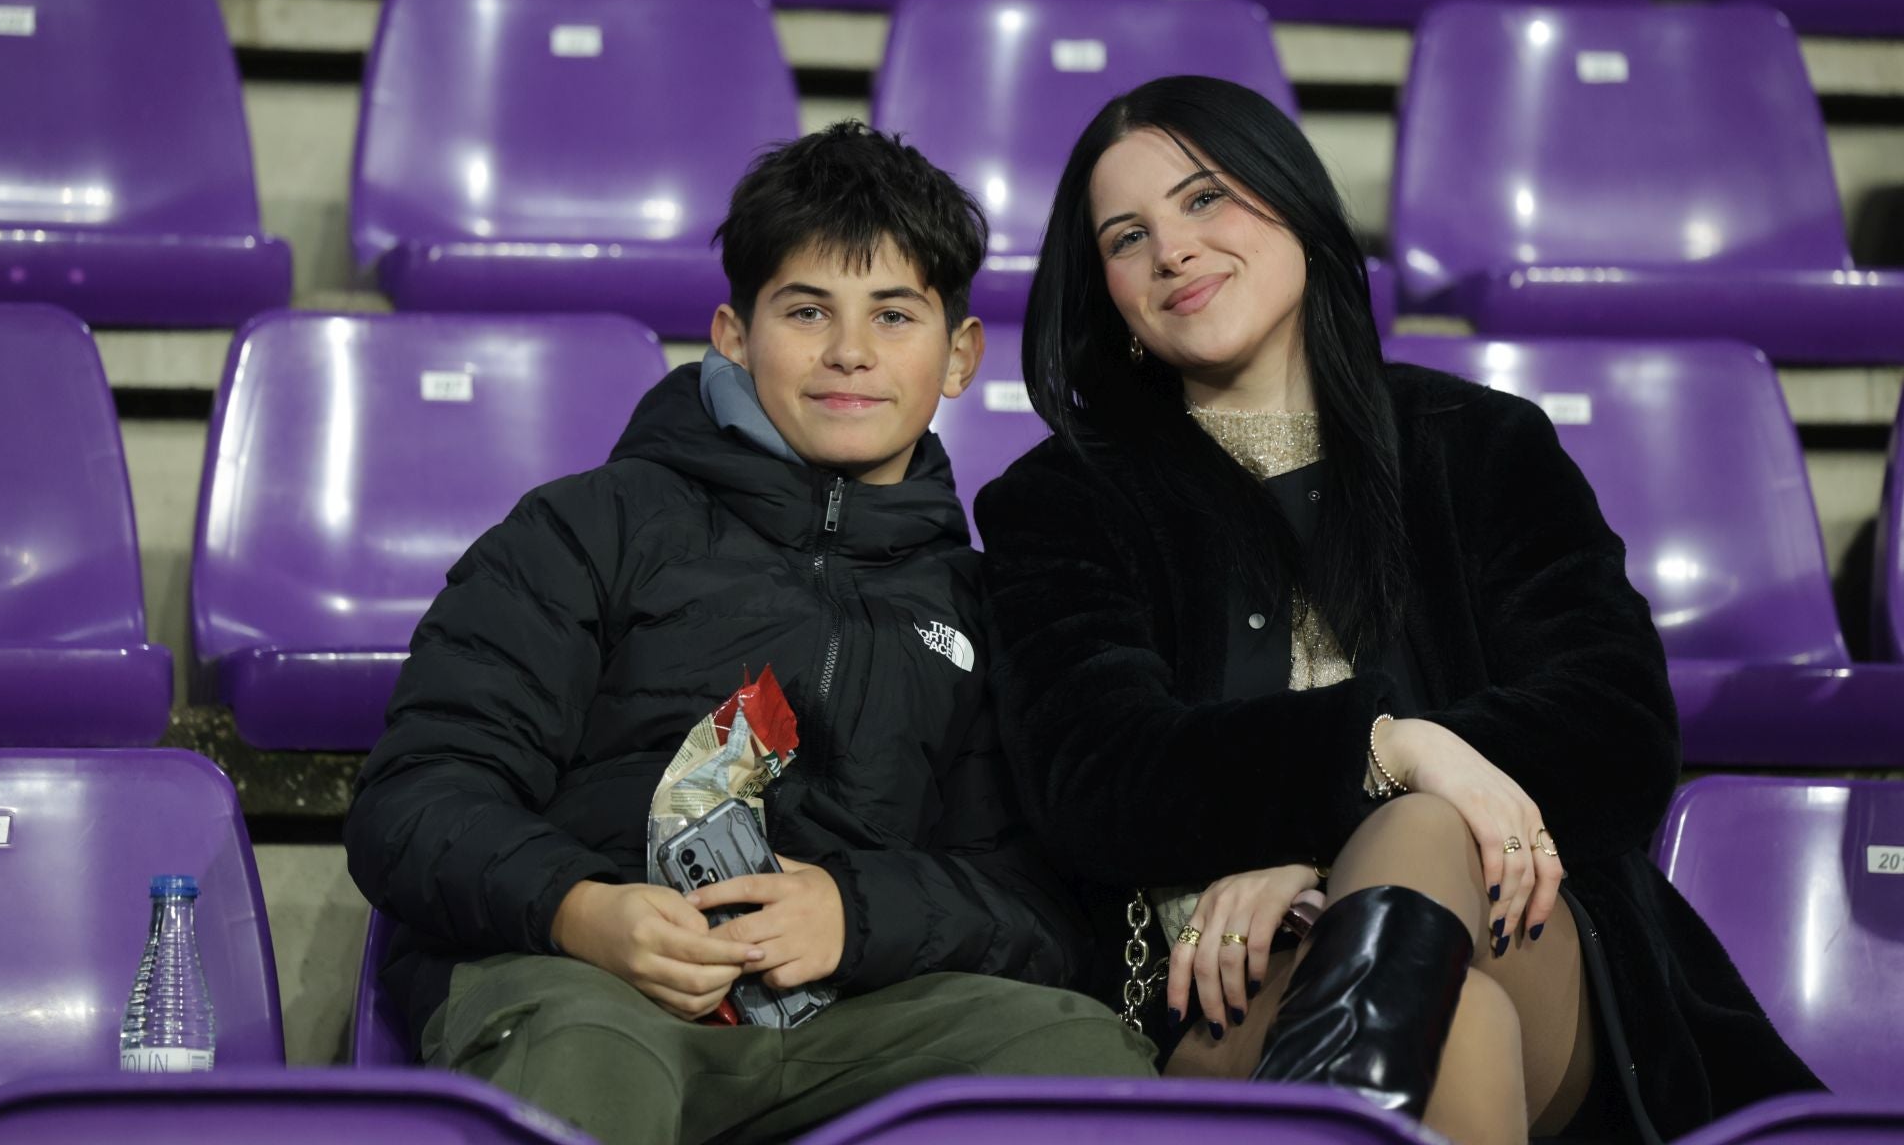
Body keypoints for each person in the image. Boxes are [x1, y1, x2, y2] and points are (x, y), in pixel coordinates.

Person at [974, 76, 1822, 1145]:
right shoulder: (1065, 500)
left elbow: (1617, 724)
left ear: (1295, 205)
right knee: (1447, 1017)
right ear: (1110, 297)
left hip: (1533, 947)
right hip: (1223, 991)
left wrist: (1357, 827)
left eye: (1205, 199)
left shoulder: (1482, 445)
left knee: (1423, 828)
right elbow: (1095, 773)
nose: (1173, 251)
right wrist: (1386, 747)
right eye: (1127, 237)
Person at [345, 122, 1157, 1145]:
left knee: (1079, 1056)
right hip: (589, 985)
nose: (850, 351)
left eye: (894, 314)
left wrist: (853, 912)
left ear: (959, 353)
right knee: (591, 1056)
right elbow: (415, 799)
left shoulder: (985, 601)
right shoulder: (586, 526)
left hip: (861, 1013)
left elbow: (1040, 903)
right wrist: (580, 907)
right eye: (807, 309)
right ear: (733, 331)